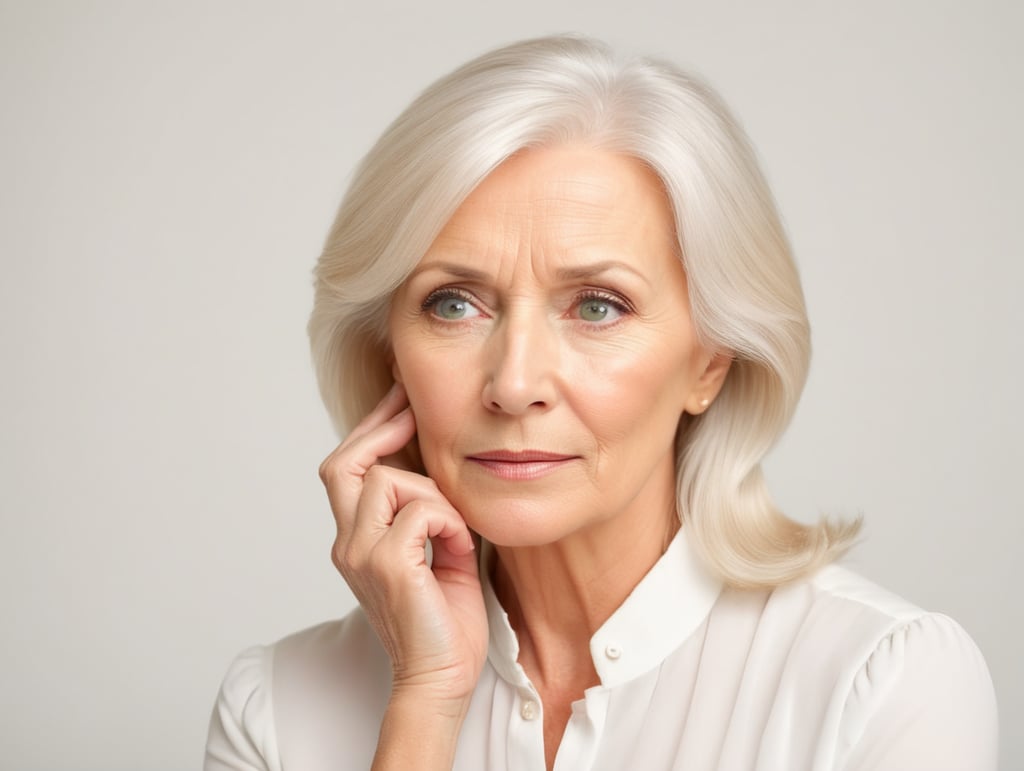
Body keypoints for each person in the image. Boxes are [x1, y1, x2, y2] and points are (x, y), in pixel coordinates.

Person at [204, 35, 998, 770]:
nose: (515, 384)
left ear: (709, 361)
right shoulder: (278, 708)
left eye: (596, 306)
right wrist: (425, 699)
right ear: (390, 354)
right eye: (453, 303)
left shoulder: (884, 684)